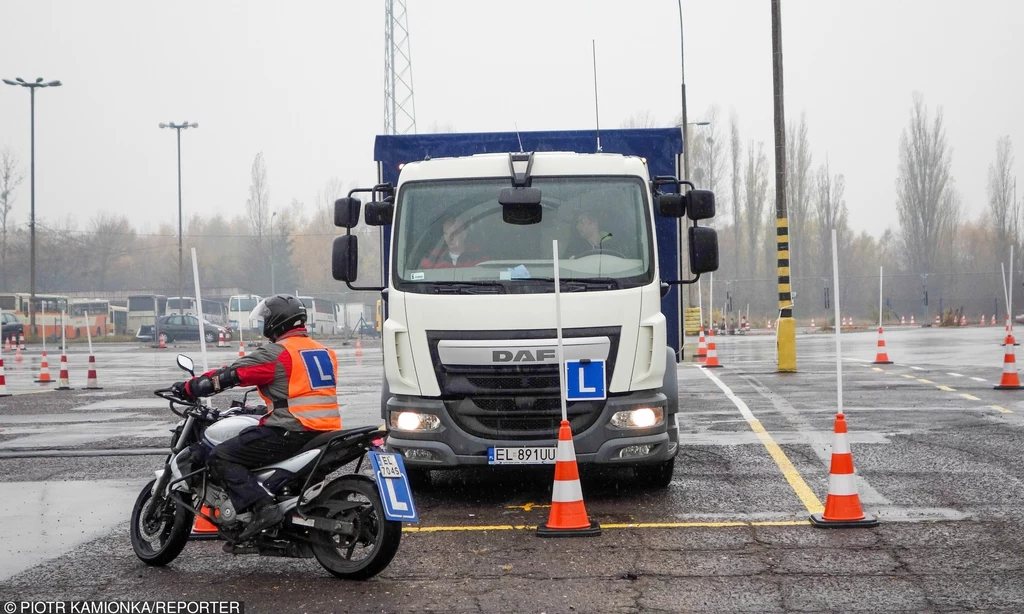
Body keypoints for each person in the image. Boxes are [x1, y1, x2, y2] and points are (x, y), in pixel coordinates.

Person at [171, 294, 341, 541]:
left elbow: (232, 374)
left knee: (220, 456)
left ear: (277, 322)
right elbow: (299, 391)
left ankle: (263, 508)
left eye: (266, 319)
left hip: (290, 430)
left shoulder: (279, 353)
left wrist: (192, 387)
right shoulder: (325, 352)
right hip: (326, 430)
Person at [419, 216, 487, 268]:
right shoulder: (432, 258)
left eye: (453, 234)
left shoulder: (479, 256)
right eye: (446, 234)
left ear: (464, 234)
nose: (449, 239)